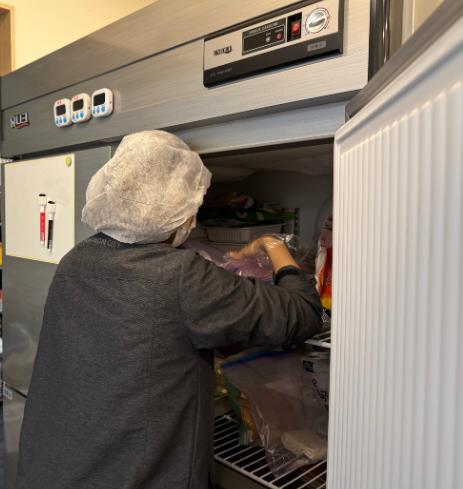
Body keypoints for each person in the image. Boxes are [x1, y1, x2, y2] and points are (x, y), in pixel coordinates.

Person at [16, 131, 323, 489]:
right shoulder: (180, 275)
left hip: (51, 470)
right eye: (193, 207)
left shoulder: (75, 261)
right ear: (175, 210)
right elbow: (302, 313)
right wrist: (273, 245)